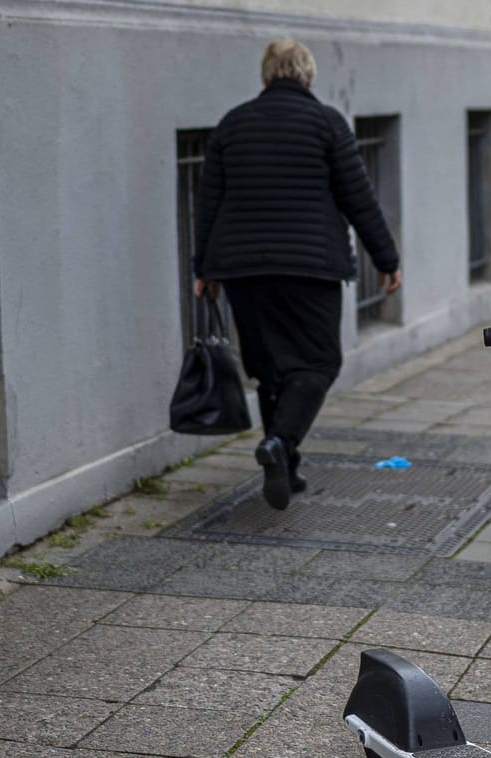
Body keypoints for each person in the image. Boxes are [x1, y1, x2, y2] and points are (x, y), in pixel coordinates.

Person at [191, 39, 401, 511]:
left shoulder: (232, 123)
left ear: (266, 76)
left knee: (270, 369)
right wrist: (386, 259)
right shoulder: (327, 123)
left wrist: (204, 267)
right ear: (308, 76)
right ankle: (280, 445)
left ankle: (287, 464)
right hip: (311, 266)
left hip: (244, 269)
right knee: (319, 363)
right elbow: (358, 197)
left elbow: (210, 202)